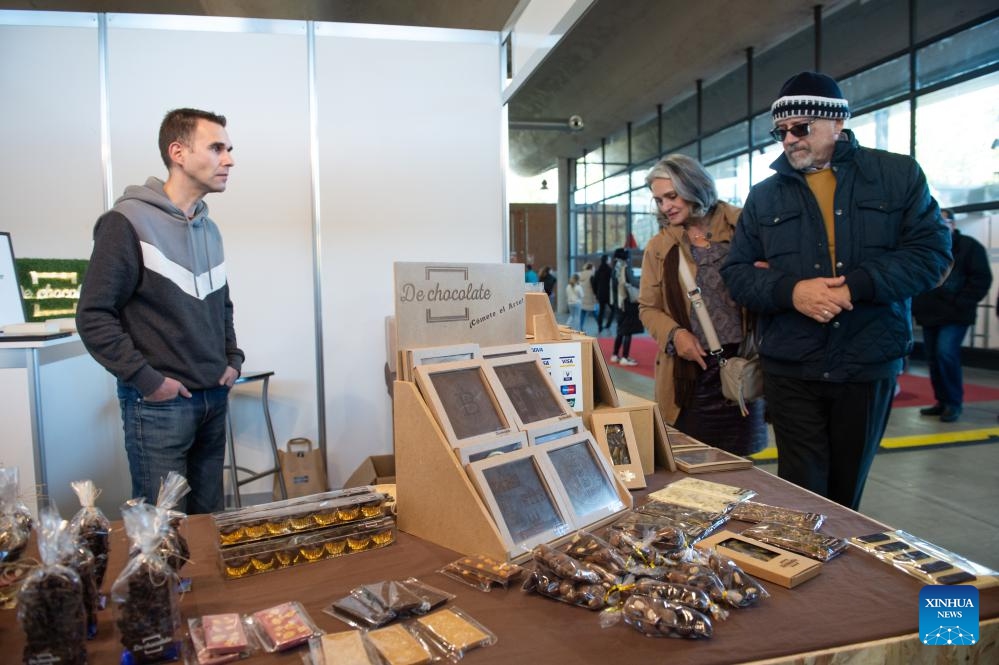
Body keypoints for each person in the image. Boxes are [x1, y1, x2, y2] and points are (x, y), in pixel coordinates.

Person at [721, 72, 951, 509]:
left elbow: (932, 256)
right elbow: (736, 273)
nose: (789, 139)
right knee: (800, 491)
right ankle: (801, 569)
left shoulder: (897, 176)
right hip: (792, 364)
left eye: (800, 128)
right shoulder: (764, 196)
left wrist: (855, 287)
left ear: (836, 123)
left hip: (866, 360)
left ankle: (841, 574)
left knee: (845, 494)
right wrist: (793, 292)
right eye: (781, 131)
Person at [77, 108, 244, 515]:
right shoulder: (126, 223)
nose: (229, 159)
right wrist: (148, 381)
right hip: (160, 406)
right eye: (217, 148)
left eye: (229, 149)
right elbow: (94, 315)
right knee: (163, 536)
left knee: (207, 529)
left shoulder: (209, 228)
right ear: (178, 153)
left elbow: (221, 305)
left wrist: (232, 360)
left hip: (212, 399)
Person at [637, 155, 767, 456]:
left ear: (694, 186)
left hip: (743, 367)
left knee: (742, 469)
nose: (665, 206)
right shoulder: (660, 246)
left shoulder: (744, 227)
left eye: (672, 196)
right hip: (690, 374)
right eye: (659, 200)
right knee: (692, 465)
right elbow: (648, 307)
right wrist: (674, 334)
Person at [912, 209, 992, 423]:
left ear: (953, 224)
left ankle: (953, 403)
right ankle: (942, 401)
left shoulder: (970, 247)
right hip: (929, 312)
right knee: (933, 358)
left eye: (942, 221)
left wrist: (961, 301)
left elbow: (981, 278)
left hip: (956, 314)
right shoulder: (927, 247)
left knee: (946, 354)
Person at [612, 248, 643, 367]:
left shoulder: (615, 269)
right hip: (627, 304)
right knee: (628, 331)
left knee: (620, 330)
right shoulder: (625, 268)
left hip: (618, 304)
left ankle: (615, 355)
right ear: (626, 258)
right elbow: (634, 282)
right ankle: (625, 357)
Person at [594, 254, 613, 334]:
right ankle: (608, 324)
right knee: (613, 309)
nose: (610, 260)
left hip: (600, 294)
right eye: (609, 259)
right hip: (608, 294)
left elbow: (594, 283)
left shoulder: (598, 271)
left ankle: (599, 327)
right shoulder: (610, 270)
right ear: (606, 260)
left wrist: (596, 293)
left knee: (601, 311)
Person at [577, 261, 598, 331]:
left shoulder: (581, 274)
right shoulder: (592, 274)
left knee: (583, 312)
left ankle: (581, 327)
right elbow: (594, 286)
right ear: (591, 268)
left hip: (583, 296)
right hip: (590, 296)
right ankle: (600, 325)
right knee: (594, 312)